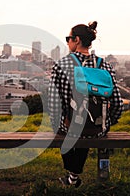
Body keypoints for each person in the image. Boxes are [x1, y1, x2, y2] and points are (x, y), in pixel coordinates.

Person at [48, 21, 123, 187]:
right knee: (89, 124)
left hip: (69, 129)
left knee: (67, 128)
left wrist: (56, 124)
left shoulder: (62, 65)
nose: (67, 42)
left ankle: (72, 175)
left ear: (76, 40)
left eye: (68, 38)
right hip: (98, 129)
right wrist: (107, 123)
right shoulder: (105, 65)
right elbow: (117, 103)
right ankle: (73, 178)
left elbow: (53, 104)